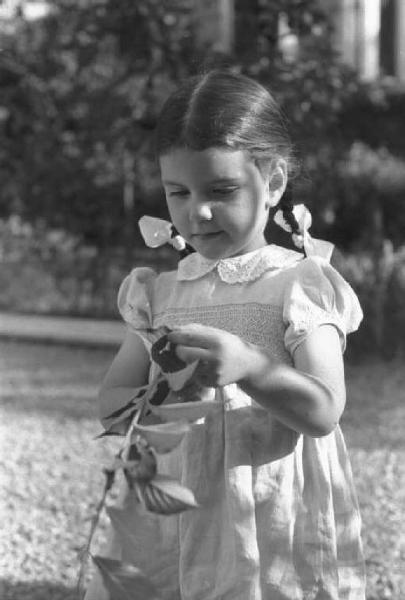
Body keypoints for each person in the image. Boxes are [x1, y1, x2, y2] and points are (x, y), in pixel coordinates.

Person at [85, 70, 366, 600]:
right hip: (177, 508)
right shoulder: (157, 293)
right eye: (178, 192)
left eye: (222, 189)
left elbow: (325, 411)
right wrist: (167, 387)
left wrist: (252, 367)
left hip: (265, 511)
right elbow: (112, 406)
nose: (199, 211)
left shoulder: (300, 284)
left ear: (274, 183)